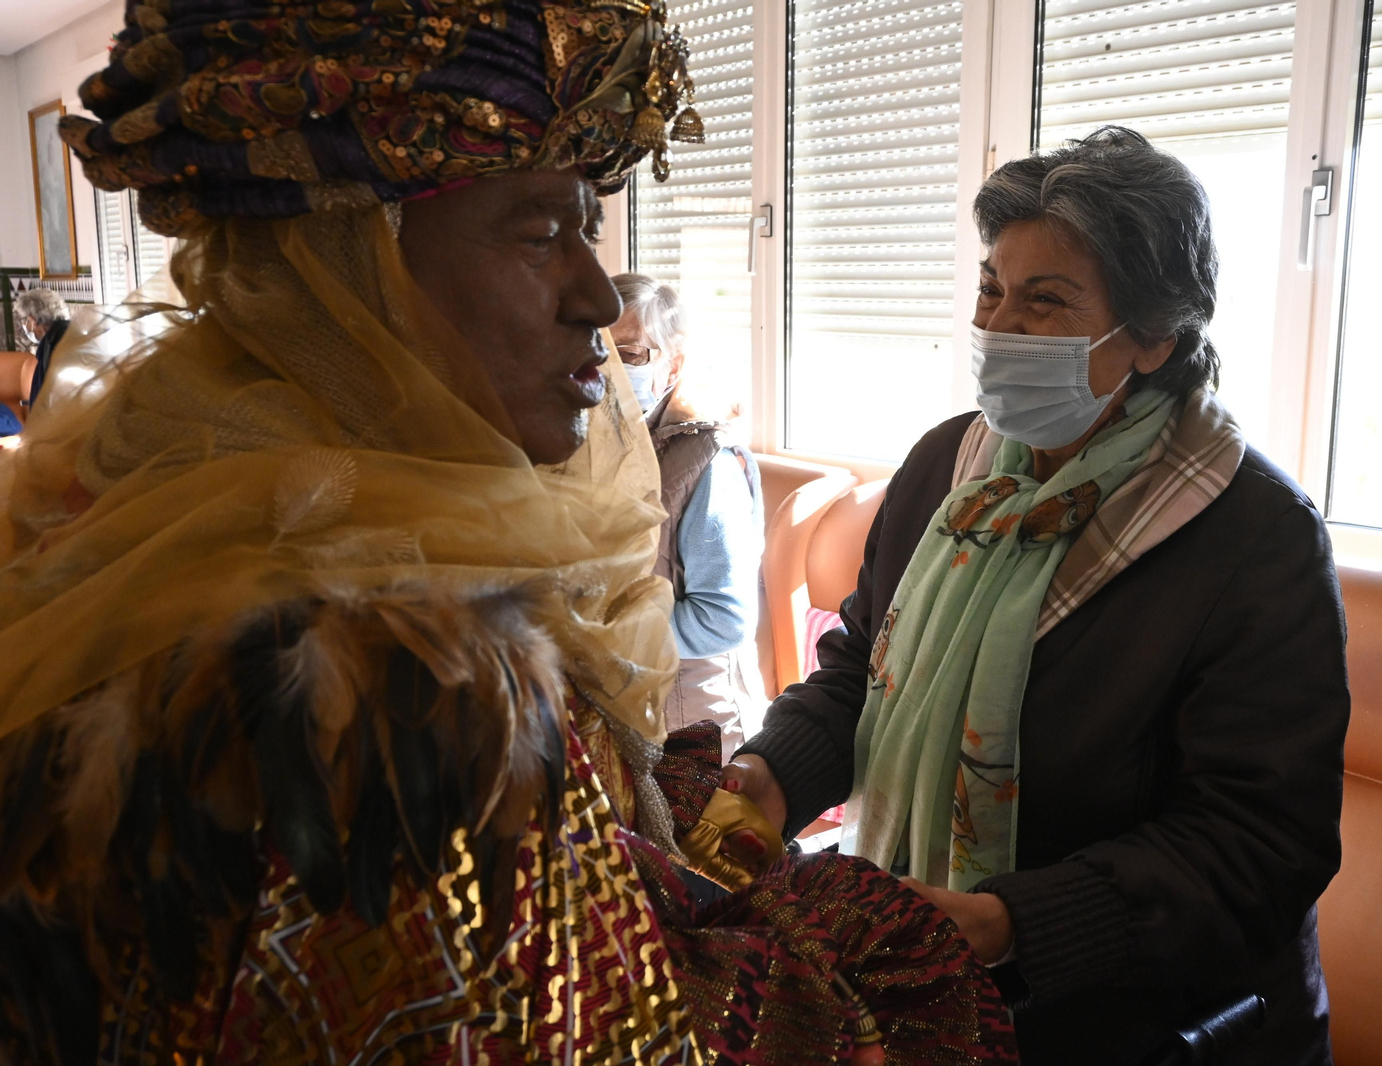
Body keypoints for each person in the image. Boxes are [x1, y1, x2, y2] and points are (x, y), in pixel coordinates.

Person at [0, 3, 1016, 1064]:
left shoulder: (134, 504)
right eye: (538, 232)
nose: (589, 292)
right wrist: (864, 945)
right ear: (352, 268)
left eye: (589, 224)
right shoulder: (412, 685)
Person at [725, 127, 1350, 1065]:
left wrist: (1008, 924)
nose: (998, 329)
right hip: (920, 979)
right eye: (990, 291)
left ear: (1154, 339)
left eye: (1045, 302)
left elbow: (1257, 844)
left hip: (1148, 1021)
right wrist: (772, 775)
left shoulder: (1252, 537)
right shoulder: (952, 464)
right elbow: (863, 665)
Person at [611, 272, 766, 762]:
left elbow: (723, 619)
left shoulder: (708, 464)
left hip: (695, 723)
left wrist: (607, 639)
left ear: (673, 363)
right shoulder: (606, 445)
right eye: (597, 352)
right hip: (630, 705)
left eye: (630, 354)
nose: (609, 370)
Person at [15, 286, 70, 415]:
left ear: (32, 321)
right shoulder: (69, 333)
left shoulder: (52, 344)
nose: (24, 325)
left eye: (25, 320)